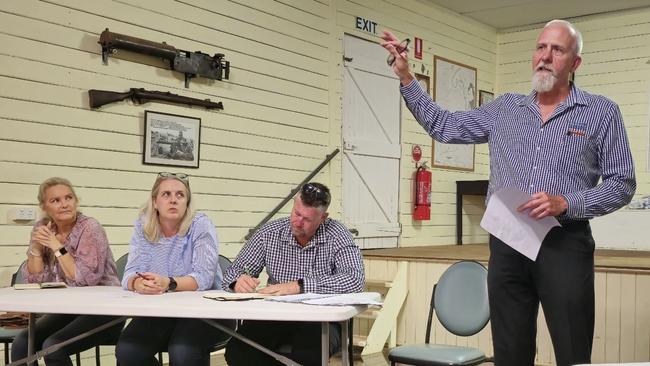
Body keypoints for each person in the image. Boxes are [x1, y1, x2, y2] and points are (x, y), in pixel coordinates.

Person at [382, 19, 636, 366]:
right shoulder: (505, 109)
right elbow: (445, 126)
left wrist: (567, 202)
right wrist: (407, 77)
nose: (545, 56)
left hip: (565, 244)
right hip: (509, 244)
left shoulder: (601, 112)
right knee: (510, 352)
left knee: (572, 350)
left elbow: (622, 183)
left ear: (575, 63)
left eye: (557, 50)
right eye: (540, 47)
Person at [223, 182, 365, 366]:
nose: (298, 222)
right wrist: (237, 281)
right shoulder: (269, 233)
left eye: (307, 219)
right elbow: (233, 271)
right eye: (296, 213)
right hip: (275, 314)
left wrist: (299, 286)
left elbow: (354, 279)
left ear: (323, 218)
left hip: (322, 318)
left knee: (309, 353)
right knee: (238, 352)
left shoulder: (337, 234)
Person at [115, 172, 232, 366]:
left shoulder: (201, 224)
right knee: (128, 350)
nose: (173, 200)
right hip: (162, 311)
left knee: (182, 352)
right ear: (155, 202)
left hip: (206, 312)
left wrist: (167, 283)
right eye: (166, 194)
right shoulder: (143, 226)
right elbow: (130, 272)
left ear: (187, 202)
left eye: (180, 195)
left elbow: (203, 278)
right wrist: (138, 283)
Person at [11, 177, 125, 366]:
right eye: (55, 201)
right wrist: (36, 249)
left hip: (104, 310)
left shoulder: (90, 228)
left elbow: (84, 279)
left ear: (76, 201)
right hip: (69, 308)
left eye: (68, 198)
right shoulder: (44, 228)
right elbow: (34, 280)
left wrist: (56, 246)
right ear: (44, 207)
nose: (64, 204)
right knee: (21, 344)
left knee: (53, 347)